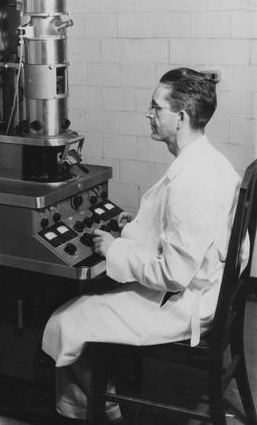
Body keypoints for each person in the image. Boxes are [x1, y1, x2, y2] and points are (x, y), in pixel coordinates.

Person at [42, 68, 246, 423]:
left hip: (185, 305)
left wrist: (114, 249)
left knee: (64, 321)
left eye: (156, 107)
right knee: (96, 298)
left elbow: (173, 274)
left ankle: (101, 409)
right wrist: (138, 226)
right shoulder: (209, 163)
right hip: (206, 290)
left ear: (180, 117)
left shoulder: (192, 184)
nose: (149, 115)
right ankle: (111, 388)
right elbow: (190, 234)